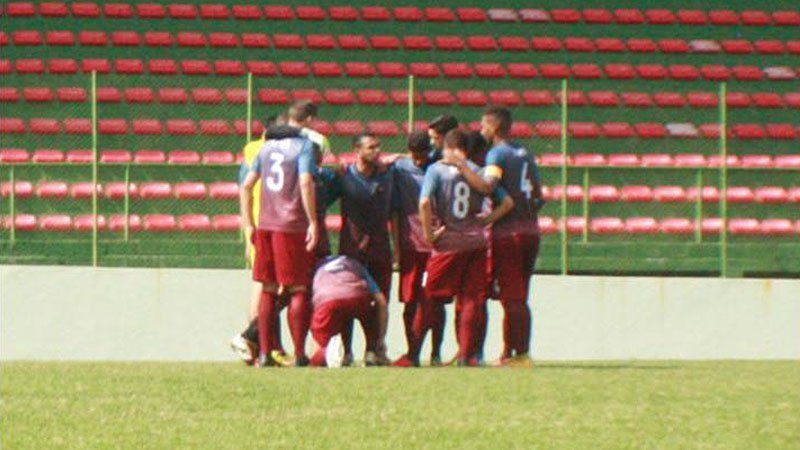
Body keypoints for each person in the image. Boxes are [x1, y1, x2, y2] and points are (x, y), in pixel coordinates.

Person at [416, 129, 514, 366]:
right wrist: (486, 220)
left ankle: (412, 353)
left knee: (429, 296)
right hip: (476, 242)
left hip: (448, 243)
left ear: (447, 147)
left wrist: (428, 234)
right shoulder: (478, 170)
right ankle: (467, 355)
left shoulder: (436, 169)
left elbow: (425, 202)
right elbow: (507, 202)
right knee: (472, 299)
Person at [239, 101, 320, 367]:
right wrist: (312, 221)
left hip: (266, 225)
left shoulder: (266, 147)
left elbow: (246, 185)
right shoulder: (304, 146)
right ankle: (298, 354)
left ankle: (263, 353)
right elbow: (306, 182)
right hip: (291, 225)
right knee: (297, 288)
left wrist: (248, 222)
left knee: (268, 288)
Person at [479, 107, 545, 367]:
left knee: (512, 297)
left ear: (494, 128)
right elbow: (540, 196)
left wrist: (463, 168)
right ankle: (510, 351)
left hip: (509, 233)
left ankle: (520, 354)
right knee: (518, 296)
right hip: (531, 230)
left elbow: (488, 185)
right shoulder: (525, 152)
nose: (481, 130)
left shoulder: (497, 153)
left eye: (484, 125)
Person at [391, 131, 446, 367]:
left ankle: (435, 352)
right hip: (410, 245)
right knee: (410, 300)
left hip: (437, 245)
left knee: (435, 301)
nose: (418, 161)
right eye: (414, 156)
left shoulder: (440, 167)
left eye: (422, 155)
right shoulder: (400, 169)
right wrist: (396, 245)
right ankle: (411, 349)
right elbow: (394, 211)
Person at [308, 255, 389, 367]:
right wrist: (380, 338)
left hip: (327, 300)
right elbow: (381, 301)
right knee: (370, 312)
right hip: (357, 296)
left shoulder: (317, 266)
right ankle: (371, 351)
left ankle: (325, 353)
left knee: (321, 343)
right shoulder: (356, 265)